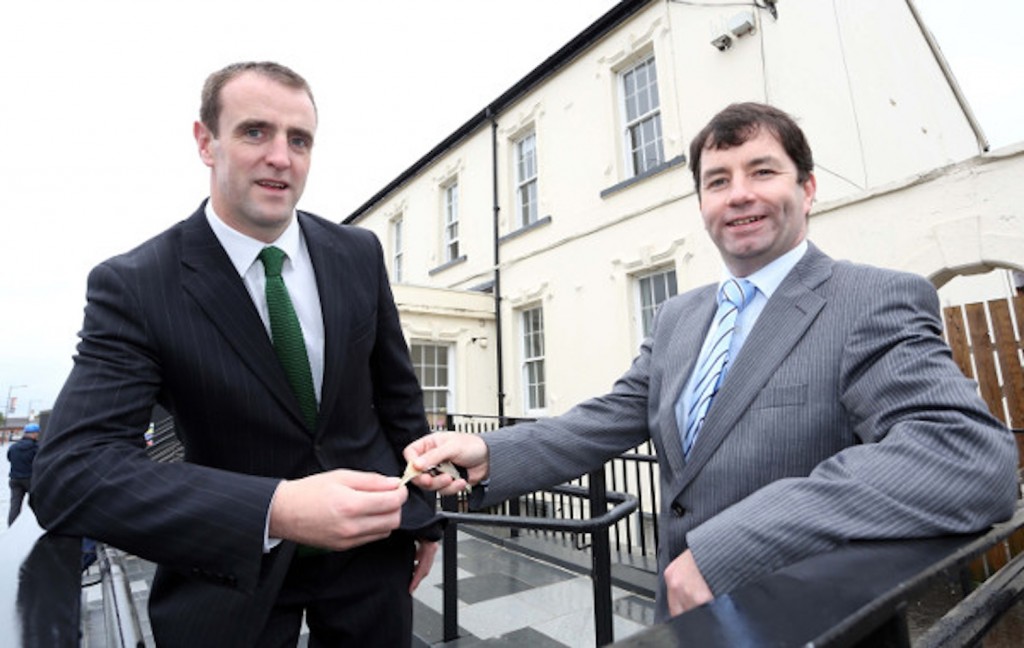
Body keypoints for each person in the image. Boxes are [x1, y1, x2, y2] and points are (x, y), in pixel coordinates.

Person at [405, 102, 1019, 621]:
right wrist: (490, 454)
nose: (739, 193)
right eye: (717, 179)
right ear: (701, 202)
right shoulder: (679, 316)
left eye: (762, 171)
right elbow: (612, 416)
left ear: (807, 188)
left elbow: (963, 454)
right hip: (691, 616)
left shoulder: (870, 298)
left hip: (808, 616)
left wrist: (727, 548)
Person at [31, 61, 440, 647]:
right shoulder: (137, 284)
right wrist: (276, 509)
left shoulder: (358, 252)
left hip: (370, 561)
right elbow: (72, 474)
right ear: (206, 141)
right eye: (255, 132)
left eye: (299, 139)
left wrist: (423, 515)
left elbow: (397, 400)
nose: (281, 156)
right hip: (227, 576)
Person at [7, 422, 40, 525]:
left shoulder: (13, 447)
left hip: (14, 479)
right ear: (34, 434)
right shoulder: (36, 448)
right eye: (37, 433)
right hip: (30, 479)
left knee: (15, 506)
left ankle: (11, 527)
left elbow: (9, 458)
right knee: (37, 504)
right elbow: (39, 462)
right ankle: (36, 527)